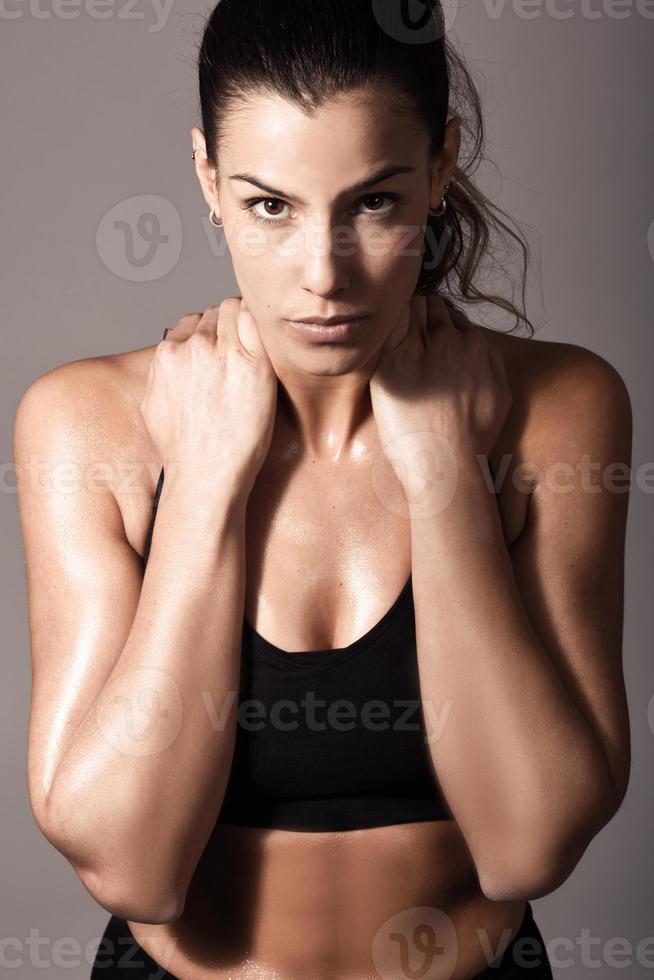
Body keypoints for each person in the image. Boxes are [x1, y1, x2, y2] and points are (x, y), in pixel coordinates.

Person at [14, 0, 632, 977]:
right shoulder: (88, 422)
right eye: (270, 206)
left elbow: (529, 843)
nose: (325, 274)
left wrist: (441, 467)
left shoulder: (559, 408)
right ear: (208, 182)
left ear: (439, 170)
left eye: (374, 203)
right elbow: (131, 865)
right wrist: (208, 480)